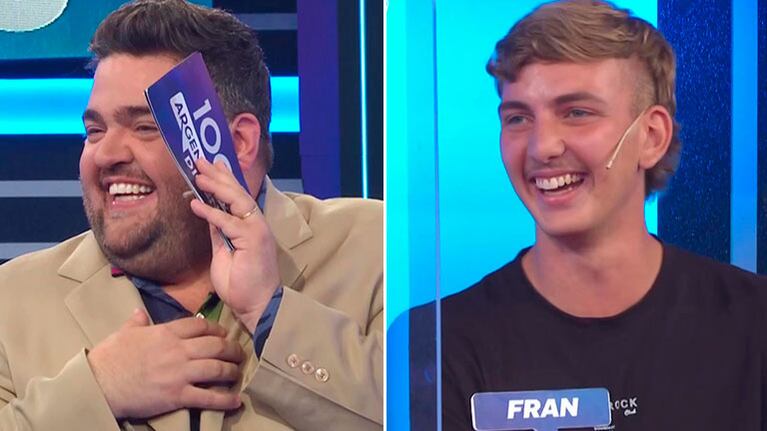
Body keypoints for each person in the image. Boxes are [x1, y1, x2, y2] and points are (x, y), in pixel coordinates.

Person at [0, 1, 382, 430]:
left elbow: (424, 413)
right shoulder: (12, 301)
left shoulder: (376, 250)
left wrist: (270, 312)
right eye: (95, 131)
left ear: (237, 143)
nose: (104, 155)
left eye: (146, 127)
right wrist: (97, 391)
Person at [440, 1, 767, 430]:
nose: (542, 147)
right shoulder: (439, 343)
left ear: (651, 137)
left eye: (577, 113)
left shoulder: (755, 322)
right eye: (518, 118)